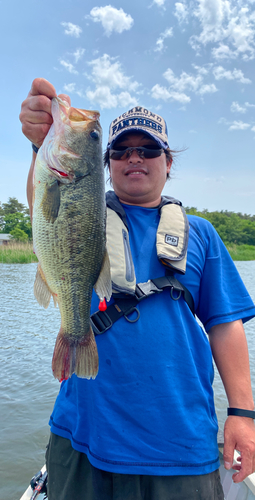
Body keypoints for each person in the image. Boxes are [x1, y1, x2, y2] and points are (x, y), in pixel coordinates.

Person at [20, 78, 255, 500]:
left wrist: (242, 413)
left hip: (181, 447)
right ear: (107, 165)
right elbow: (46, 206)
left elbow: (226, 325)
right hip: (83, 438)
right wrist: (40, 146)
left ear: (167, 163)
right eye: (121, 150)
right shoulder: (88, 207)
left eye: (148, 150)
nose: (135, 158)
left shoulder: (201, 233)